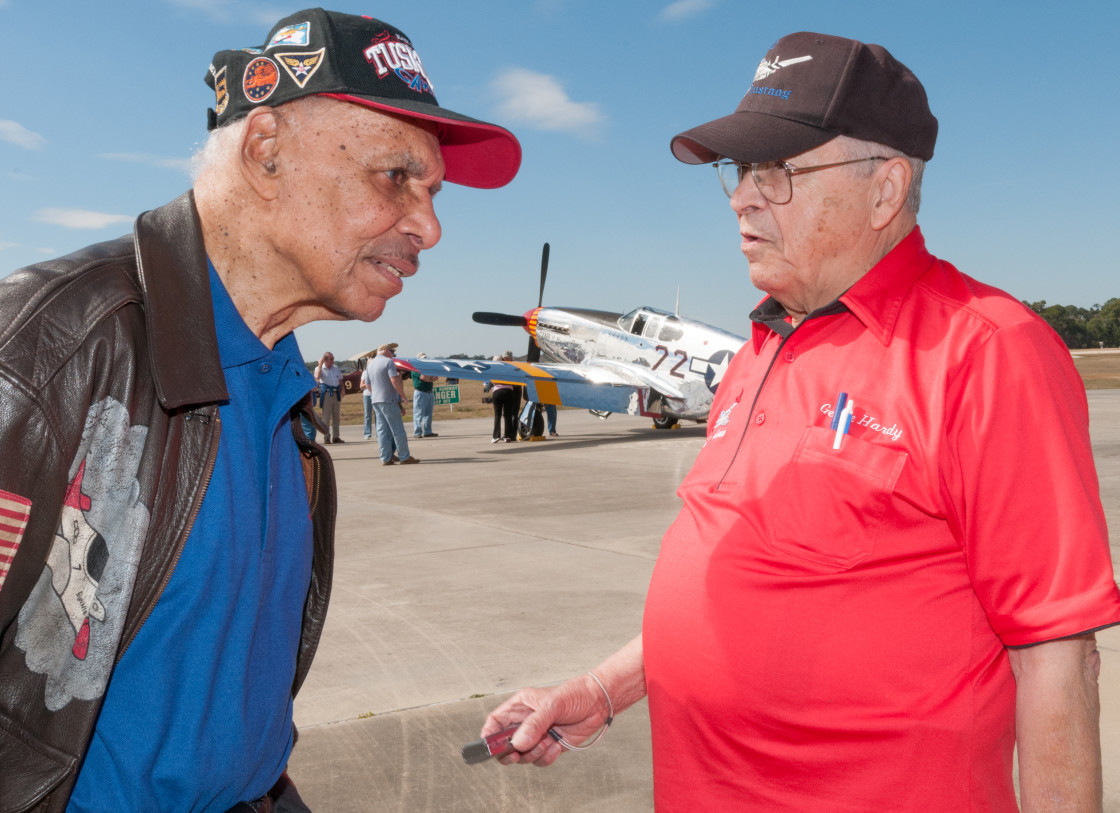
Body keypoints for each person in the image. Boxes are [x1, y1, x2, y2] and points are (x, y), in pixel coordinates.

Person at [481, 31, 1120, 811]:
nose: (745, 195)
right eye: (741, 170)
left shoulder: (986, 352)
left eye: (778, 171)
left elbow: (1056, 658)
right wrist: (602, 688)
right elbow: (742, 579)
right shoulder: (762, 343)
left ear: (884, 190)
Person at [0, 8, 519, 811]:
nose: (430, 225)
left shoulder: (289, 397)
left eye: (433, 191)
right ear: (265, 150)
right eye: (396, 178)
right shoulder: (52, 346)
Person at [366, 343, 418, 465]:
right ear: (384, 350)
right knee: (397, 429)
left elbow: (367, 384)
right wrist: (403, 396)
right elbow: (394, 380)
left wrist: (376, 393)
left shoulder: (370, 364)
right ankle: (404, 456)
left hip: (376, 400)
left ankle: (386, 457)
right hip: (388, 400)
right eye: (392, 351)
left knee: (382, 430)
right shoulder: (388, 362)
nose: (393, 354)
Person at [488, 351, 520, 443]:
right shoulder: (510, 368)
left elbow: (490, 382)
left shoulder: (493, 369)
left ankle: (496, 436)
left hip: (497, 392)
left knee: (497, 415)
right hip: (509, 392)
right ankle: (507, 436)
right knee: (508, 415)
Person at [314, 350, 344, 443]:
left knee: (336, 416)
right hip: (327, 393)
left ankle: (336, 437)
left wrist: (343, 389)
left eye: (333, 358)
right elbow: (317, 377)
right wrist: (320, 365)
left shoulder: (335, 368)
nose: (333, 360)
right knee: (326, 417)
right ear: (325, 360)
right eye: (331, 359)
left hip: (336, 393)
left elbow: (340, 380)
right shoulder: (320, 368)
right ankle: (326, 437)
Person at [411, 352, 439, 438]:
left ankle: (428, 431)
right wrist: (431, 378)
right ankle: (417, 432)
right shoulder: (415, 368)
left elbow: (436, 377)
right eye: (423, 358)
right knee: (418, 413)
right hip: (420, 392)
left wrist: (430, 378)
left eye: (425, 357)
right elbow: (424, 378)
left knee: (428, 413)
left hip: (429, 392)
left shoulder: (428, 368)